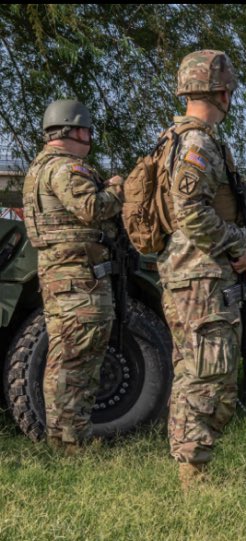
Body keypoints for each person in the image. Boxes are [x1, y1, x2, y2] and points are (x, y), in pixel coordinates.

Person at [157, 50, 246, 489]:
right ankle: (193, 475)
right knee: (210, 375)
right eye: (228, 89)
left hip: (188, 275)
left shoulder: (175, 139)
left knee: (191, 370)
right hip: (202, 276)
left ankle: (188, 465)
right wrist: (237, 244)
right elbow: (189, 211)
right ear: (220, 91)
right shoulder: (197, 144)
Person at [22, 99, 124, 453]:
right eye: (87, 131)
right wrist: (116, 188)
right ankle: (74, 442)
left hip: (60, 277)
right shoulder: (67, 169)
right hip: (80, 279)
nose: (89, 138)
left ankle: (60, 438)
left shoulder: (38, 169)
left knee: (63, 358)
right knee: (81, 361)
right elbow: (93, 208)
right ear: (75, 130)